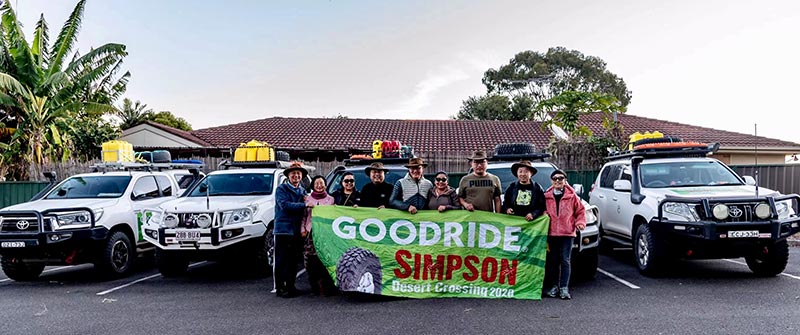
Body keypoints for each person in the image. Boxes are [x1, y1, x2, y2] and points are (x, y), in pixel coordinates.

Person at [543, 169, 586, 300]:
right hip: (552, 233)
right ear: (551, 181)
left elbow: (580, 211)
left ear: (565, 180)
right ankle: (555, 286)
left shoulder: (572, 196)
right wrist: (543, 214)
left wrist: (580, 223)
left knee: (565, 260)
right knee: (553, 260)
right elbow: (542, 209)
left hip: (567, 233)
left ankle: (564, 288)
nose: (558, 181)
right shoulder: (546, 196)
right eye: (555, 178)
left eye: (560, 178)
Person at [273, 162, 312, 298]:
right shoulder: (281, 189)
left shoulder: (302, 191)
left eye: (298, 174)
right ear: (288, 176)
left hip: (296, 230)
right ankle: (280, 287)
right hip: (283, 230)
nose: (296, 176)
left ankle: (291, 285)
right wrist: (304, 204)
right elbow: (284, 205)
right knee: (281, 260)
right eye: (293, 173)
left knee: (293, 260)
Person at [301, 175, 337, 296]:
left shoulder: (331, 200)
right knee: (310, 261)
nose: (319, 186)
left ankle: (325, 286)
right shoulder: (307, 199)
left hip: (325, 233)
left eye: (321, 183)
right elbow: (304, 216)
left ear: (325, 185)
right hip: (310, 232)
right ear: (313, 186)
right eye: (316, 184)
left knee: (323, 258)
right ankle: (314, 286)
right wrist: (303, 229)